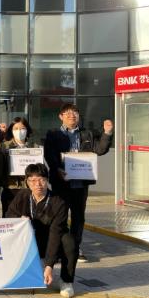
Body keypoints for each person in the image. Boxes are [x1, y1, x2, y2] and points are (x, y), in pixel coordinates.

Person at [44, 103, 113, 263]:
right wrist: (56, 168)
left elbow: (100, 149)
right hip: (61, 182)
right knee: (59, 216)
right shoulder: (53, 134)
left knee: (78, 218)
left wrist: (107, 132)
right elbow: (49, 154)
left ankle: (75, 248)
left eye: (75, 112)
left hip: (81, 183)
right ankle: (59, 247)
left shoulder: (87, 134)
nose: (72, 115)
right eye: (67, 113)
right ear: (61, 116)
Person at [6, 164, 77, 298]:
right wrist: (19, 219)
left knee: (69, 241)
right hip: (31, 240)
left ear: (47, 180)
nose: (38, 184)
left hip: (52, 240)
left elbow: (56, 233)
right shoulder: (22, 195)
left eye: (41, 180)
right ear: (27, 182)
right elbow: (9, 215)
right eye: (33, 180)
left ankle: (66, 281)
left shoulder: (59, 201)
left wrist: (49, 265)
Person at [1, 117, 39, 216]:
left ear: (27, 130)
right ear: (11, 130)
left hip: (30, 188)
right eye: (16, 129)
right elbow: (0, 167)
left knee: (29, 218)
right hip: (11, 187)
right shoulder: (4, 146)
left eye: (22, 128)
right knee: (10, 218)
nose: (19, 131)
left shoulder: (35, 146)